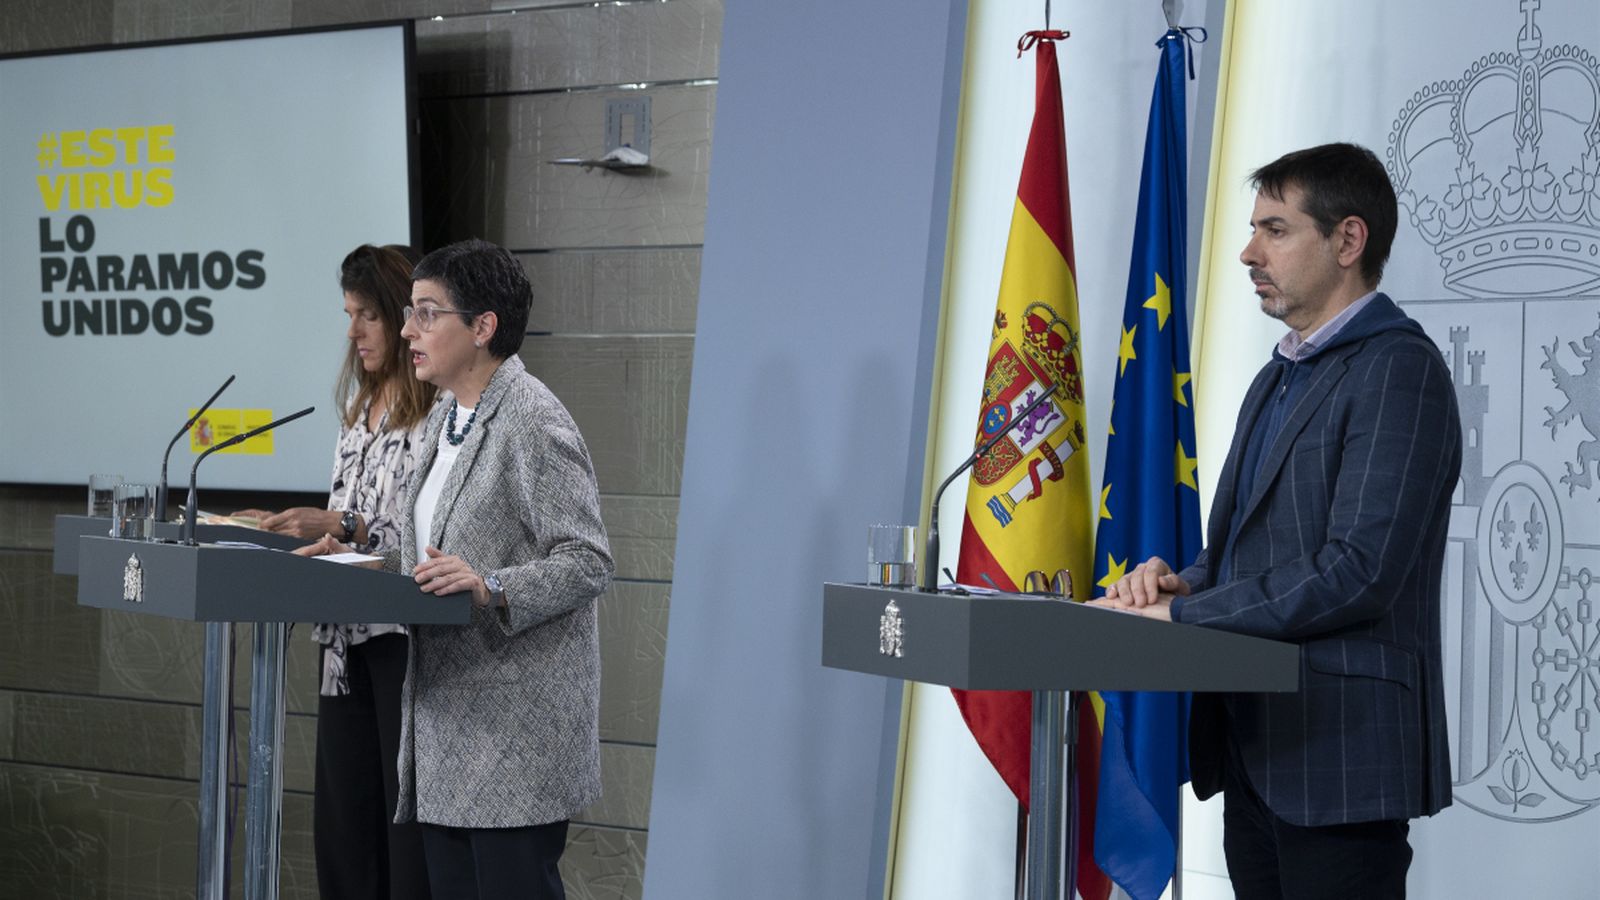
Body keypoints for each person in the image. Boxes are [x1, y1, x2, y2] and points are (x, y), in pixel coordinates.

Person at [1092, 143, 1461, 899]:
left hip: (1341, 760)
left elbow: (1359, 571)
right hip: (1254, 750)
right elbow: (1236, 553)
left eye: (1276, 230)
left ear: (1348, 241)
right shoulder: (1278, 373)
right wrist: (1177, 578)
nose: (1247, 252)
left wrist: (1188, 613)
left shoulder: (1400, 371)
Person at [302, 238, 613, 900]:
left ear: (482, 327)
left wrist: (493, 585)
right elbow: (428, 558)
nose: (408, 329)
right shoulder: (447, 417)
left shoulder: (532, 417)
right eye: (409, 313)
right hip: (445, 734)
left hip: (513, 739)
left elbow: (585, 559)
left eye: (426, 313)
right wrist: (359, 562)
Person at [234, 243, 438, 900]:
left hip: (404, 647)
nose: (352, 332)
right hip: (342, 646)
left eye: (366, 316)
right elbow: (344, 520)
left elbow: (429, 538)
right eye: (348, 314)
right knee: (344, 838)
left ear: (406, 318)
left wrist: (339, 527)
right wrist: (294, 533)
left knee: (402, 842)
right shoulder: (358, 410)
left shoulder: (439, 413)